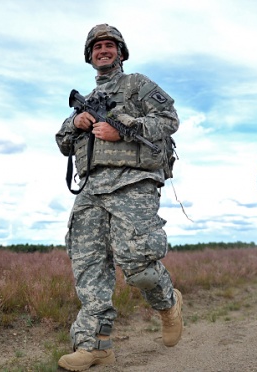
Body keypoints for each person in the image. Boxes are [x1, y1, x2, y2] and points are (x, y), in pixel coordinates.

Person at [55, 24, 182, 371]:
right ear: (89, 56)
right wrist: (76, 123)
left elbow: (169, 119)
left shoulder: (138, 84)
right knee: (89, 268)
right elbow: (63, 142)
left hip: (133, 183)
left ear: (121, 53)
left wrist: (123, 127)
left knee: (139, 262)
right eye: (97, 47)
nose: (103, 50)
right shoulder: (88, 100)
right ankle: (95, 346)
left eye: (110, 45)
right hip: (92, 188)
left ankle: (169, 304)